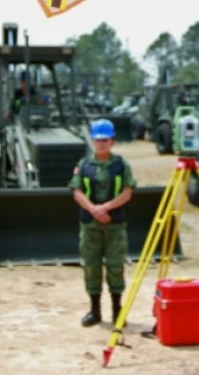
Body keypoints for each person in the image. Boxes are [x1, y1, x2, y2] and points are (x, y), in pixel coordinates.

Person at [69, 118, 136, 327]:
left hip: (115, 225)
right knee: (91, 266)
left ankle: (117, 311)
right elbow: (77, 191)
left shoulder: (121, 165)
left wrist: (106, 208)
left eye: (105, 140)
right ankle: (94, 310)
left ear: (112, 141)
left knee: (116, 266)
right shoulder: (83, 164)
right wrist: (94, 210)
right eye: (97, 140)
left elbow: (127, 192)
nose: (101, 144)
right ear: (92, 141)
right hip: (90, 225)